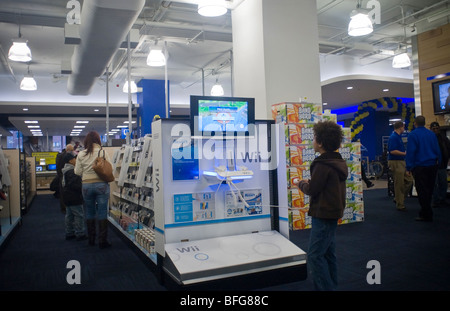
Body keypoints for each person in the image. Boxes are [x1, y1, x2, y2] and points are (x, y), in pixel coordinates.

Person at [295, 121, 348, 291]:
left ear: (321, 142)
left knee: (315, 256)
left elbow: (313, 189)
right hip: (333, 212)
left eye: (314, 138)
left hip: (323, 213)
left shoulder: (321, 164)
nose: (312, 141)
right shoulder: (337, 162)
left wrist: (300, 183)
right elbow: (326, 185)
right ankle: (332, 286)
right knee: (328, 254)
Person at [74, 131, 112, 248]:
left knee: (89, 212)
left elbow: (77, 172)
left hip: (86, 186)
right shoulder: (103, 152)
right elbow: (110, 168)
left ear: (86, 141)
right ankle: (102, 241)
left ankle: (91, 239)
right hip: (101, 185)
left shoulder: (81, 154)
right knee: (102, 212)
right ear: (98, 140)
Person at [406, 116, 441, 222]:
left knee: (422, 190)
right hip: (432, 165)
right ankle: (427, 210)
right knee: (430, 189)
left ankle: (426, 212)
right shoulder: (431, 134)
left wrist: (408, 167)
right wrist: (439, 162)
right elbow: (437, 149)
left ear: (415, 123)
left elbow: (411, 152)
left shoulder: (413, 135)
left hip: (420, 166)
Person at [387, 121, 413, 211]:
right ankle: (400, 204)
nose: (404, 129)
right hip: (396, 161)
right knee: (399, 184)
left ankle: (398, 198)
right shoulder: (393, 137)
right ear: (400, 127)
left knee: (409, 181)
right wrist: (404, 153)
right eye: (403, 127)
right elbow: (392, 151)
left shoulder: (397, 137)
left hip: (400, 161)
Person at [61, 153, 87, 241]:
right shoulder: (73, 171)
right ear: (70, 161)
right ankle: (80, 233)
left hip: (67, 196)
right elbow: (75, 185)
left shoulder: (65, 171)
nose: (76, 160)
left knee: (69, 215)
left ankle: (69, 232)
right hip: (74, 197)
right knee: (79, 215)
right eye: (74, 159)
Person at [430, 122, 450, 208]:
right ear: (431, 129)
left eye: (437, 128)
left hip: (443, 164)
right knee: (435, 183)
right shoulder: (429, 139)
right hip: (433, 164)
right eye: (434, 129)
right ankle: (436, 200)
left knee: (443, 183)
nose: (435, 130)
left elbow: (448, 149)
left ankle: (442, 199)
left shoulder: (443, 138)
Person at [56, 144, 74, 212]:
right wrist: (61, 176)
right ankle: (64, 207)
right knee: (63, 192)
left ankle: (66, 207)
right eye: (71, 150)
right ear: (67, 150)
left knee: (65, 192)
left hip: (66, 175)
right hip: (63, 175)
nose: (72, 151)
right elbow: (59, 167)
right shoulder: (62, 156)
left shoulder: (61, 155)